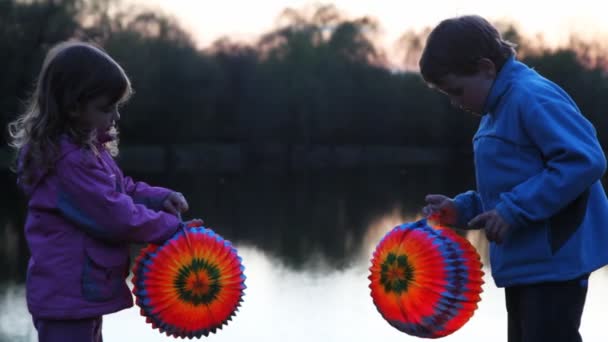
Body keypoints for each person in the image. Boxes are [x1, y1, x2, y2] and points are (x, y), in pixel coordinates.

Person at [418, 15, 608, 342]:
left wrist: (514, 210)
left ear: (486, 68)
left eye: (457, 90)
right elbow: (510, 187)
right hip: (525, 263)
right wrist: (461, 210)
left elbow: (585, 159)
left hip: (555, 263)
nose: (455, 102)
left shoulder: (530, 96)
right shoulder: (496, 110)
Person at [8, 40, 194, 342]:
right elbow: (115, 216)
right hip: (65, 299)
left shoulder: (88, 152)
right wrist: (169, 228)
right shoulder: (68, 163)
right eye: (106, 108)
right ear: (73, 106)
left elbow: (121, 190)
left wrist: (159, 198)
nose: (115, 117)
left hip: (78, 297)